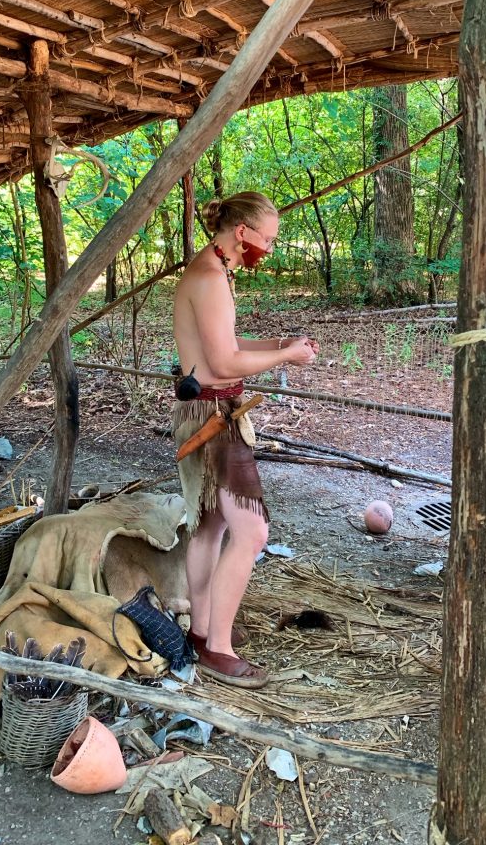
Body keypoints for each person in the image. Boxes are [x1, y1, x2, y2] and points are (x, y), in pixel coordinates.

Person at [172, 191, 318, 687]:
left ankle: (200, 634)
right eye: (268, 239)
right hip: (213, 416)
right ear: (242, 233)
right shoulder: (210, 278)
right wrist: (285, 359)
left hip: (202, 410)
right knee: (252, 532)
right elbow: (224, 365)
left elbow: (229, 346)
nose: (270, 248)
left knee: (210, 526)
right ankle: (218, 648)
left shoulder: (210, 271)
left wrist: (280, 344)